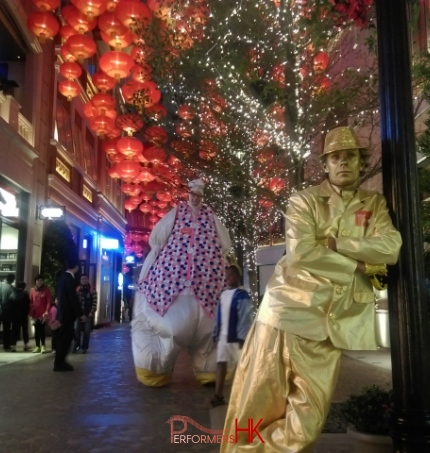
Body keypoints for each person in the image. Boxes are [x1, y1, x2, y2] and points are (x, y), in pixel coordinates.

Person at [220, 126, 403, 452]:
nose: (343, 162)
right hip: (288, 310)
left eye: (350, 156)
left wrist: (339, 243)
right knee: (258, 406)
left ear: (361, 162)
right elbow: (304, 254)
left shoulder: (374, 204)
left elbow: (390, 247)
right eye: (335, 157)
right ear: (326, 164)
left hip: (335, 322)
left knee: (308, 419)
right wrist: (361, 264)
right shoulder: (303, 201)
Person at [132, 178, 231, 387]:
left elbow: (224, 242)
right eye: (193, 195)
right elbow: (158, 239)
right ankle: (155, 368)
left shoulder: (210, 216)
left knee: (210, 332)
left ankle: (209, 369)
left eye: (199, 196)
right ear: (189, 195)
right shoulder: (177, 213)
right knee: (161, 329)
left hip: (206, 286)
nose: (195, 199)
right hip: (172, 284)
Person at [210, 265, 253, 408]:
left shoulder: (242, 295)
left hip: (236, 339)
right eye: (227, 276)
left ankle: (244, 396)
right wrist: (215, 334)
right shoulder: (223, 294)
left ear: (237, 277)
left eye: (232, 276)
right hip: (223, 338)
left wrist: (243, 337)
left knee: (241, 368)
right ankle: (218, 395)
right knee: (221, 364)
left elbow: (245, 317)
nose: (229, 279)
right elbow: (218, 317)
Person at [54, 260, 84, 372]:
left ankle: (59, 361)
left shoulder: (62, 279)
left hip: (62, 313)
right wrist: (80, 313)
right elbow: (73, 298)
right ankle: (60, 362)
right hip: (68, 314)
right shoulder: (70, 280)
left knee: (63, 337)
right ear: (76, 267)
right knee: (66, 338)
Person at [73, 273, 97, 354]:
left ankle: (84, 347)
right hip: (78, 314)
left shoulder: (92, 289)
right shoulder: (77, 289)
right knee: (77, 330)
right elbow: (75, 302)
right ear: (80, 280)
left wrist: (92, 312)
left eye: (85, 279)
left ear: (88, 280)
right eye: (82, 279)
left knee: (87, 332)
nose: (84, 280)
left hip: (87, 314)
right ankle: (77, 345)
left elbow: (94, 302)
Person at [29, 274, 52, 353]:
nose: (39, 282)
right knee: (36, 330)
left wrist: (46, 311)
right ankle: (37, 346)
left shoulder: (46, 290)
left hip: (43, 314)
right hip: (35, 314)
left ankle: (43, 346)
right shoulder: (32, 290)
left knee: (42, 330)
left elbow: (49, 301)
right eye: (38, 280)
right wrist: (31, 311)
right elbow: (31, 301)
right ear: (35, 281)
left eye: (41, 280)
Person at [11, 281, 30, 351]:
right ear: (24, 286)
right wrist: (27, 312)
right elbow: (28, 304)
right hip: (23, 315)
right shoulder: (25, 294)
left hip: (15, 316)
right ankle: (25, 345)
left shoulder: (13, 293)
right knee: (24, 330)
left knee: (15, 331)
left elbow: (11, 304)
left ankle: (13, 346)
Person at [0, 273, 16, 351]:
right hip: (7, 311)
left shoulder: (0, 285)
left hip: (0, 309)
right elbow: (13, 299)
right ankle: (6, 345)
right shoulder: (11, 288)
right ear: (12, 280)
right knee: (6, 329)